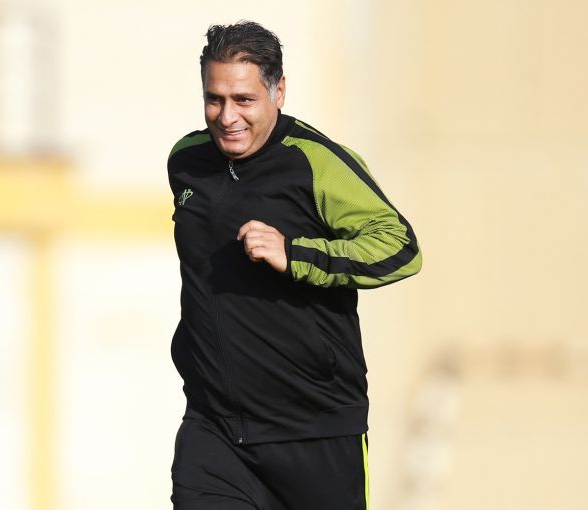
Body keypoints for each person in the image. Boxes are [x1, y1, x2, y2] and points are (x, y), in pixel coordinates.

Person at [167, 20, 421, 510]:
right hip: (215, 428)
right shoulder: (186, 161)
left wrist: (297, 254)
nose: (227, 116)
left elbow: (400, 248)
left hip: (315, 431)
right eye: (214, 99)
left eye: (244, 100)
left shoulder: (316, 162)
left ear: (278, 91)